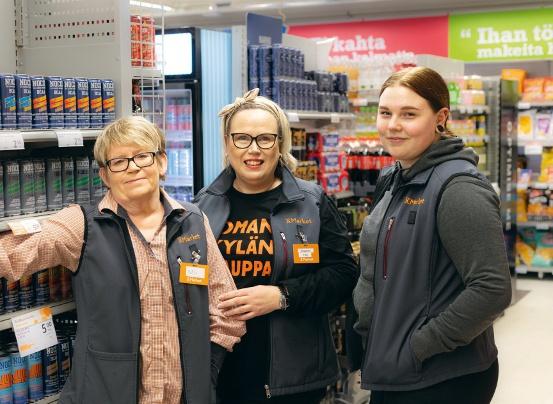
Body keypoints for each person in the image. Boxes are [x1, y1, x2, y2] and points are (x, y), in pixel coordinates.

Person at [0, 116, 246, 404]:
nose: (132, 167)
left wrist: (207, 371)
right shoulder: (82, 224)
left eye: (142, 156)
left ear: (162, 162)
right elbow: (12, 255)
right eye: (119, 161)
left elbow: (226, 307)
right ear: (105, 175)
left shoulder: (192, 221)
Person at [353, 66, 512, 404]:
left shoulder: (458, 188)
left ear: (440, 118)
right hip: (396, 366)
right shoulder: (395, 177)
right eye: (385, 113)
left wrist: (418, 347)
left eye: (409, 114)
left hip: (441, 377)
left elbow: (492, 289)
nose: (393, 125)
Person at [194, 88, 358, 404]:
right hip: (222, 373)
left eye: (265, 139)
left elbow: (343, 274)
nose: (253, 149)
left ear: (280, 144)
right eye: (242, 138)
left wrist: (281, 296)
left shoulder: (311, 202)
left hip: (293, 376)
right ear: (227, 143)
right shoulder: (202, 206)